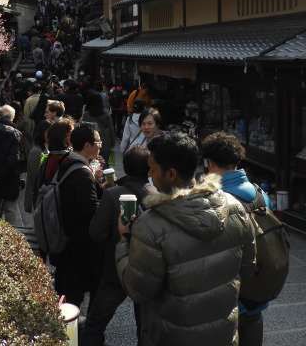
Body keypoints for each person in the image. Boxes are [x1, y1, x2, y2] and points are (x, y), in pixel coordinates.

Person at [116, 131, 256, 346]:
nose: (150, 175)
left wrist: (125, 242)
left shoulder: (150, 225)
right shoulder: (234, 206)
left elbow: (138, 290)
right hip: (223, 334)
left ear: (170, 174)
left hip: (171, 336)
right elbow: (247, 268)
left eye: (152, 169)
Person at [201, 131, 272, 346]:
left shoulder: (212, 198)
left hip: (225, 293)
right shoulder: (259, 193)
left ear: (209, 163)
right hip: (255, 288)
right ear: (237, 160)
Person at [82, 145, 150, 346]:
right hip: (147, 269)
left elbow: (96, 232)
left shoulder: (113, 194)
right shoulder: (156, 195)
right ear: (149, 169)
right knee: (145, 327)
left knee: (95, 324)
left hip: (114, 269)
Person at [52, 123, 104, 306]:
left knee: (67, 295)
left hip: (67, 243)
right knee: (73, 298)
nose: (101, 144)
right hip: (77, 248)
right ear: (87, 145)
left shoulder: (68, 162)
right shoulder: (81, 173)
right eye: (98, 141)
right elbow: (90, 212)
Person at [82, 89, 116, 165]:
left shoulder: (86, 114)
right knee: (104, 164)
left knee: (91, 164)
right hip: (105, 142)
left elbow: (83, 129)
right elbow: (111, 129)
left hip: (91, 143)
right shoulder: (106, 114)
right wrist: (112, 143)